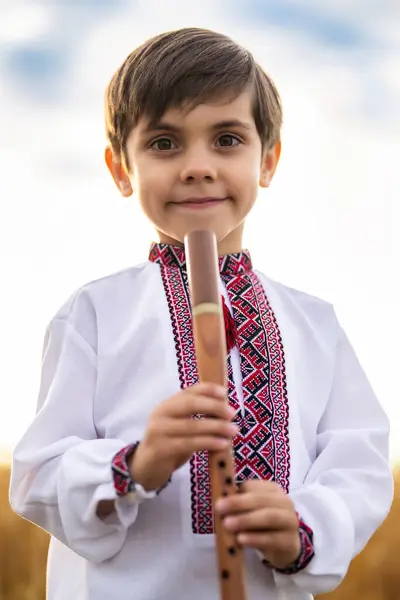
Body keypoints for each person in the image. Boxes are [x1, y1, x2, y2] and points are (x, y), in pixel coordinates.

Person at [9, 27, 393, 600]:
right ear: (121, 169)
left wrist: (302, 529)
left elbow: (358, 469)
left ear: (268, 159)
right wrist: (137, 463)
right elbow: (38, 474)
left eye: (227, 139)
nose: (197, 166)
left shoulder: (317, 325)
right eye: (164, 143)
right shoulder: (94, 314)